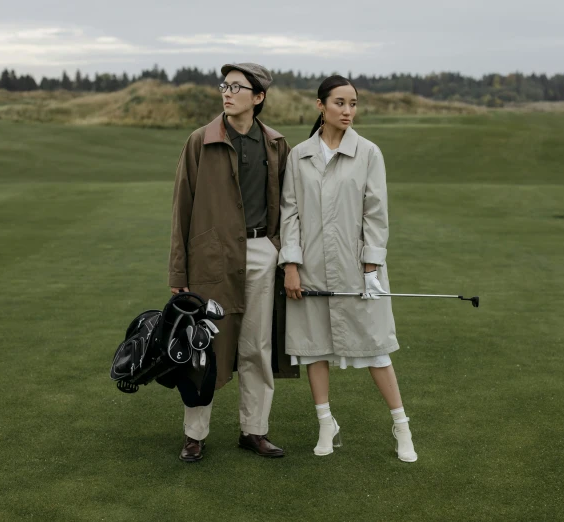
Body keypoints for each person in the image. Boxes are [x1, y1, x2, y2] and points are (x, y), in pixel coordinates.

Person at [279, 75, 418, 463]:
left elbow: (376, 213)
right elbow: (289, 213)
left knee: (376, 349)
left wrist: (371, 269)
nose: (348, 111)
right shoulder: (299, 155)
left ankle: (401, 425)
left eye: (353, 103)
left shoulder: (369, 153)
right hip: (310, 270)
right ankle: (326, 423)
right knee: (314, 349)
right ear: (320, 106)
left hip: (359, 271)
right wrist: (291, 265)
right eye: (340, 103)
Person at [168, 62, 296, 462]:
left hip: (262, 253)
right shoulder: (198, 141)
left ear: (258, 98)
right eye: (224, 85)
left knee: (257, 347)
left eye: (237, 87)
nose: (227, 92)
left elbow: (287, 206)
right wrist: (178, 272)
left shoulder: (275, 144)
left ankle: (254, 430)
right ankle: (194, 435)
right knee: (203, 347)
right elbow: (181, 209)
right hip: (211, 258)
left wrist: (278, 248)